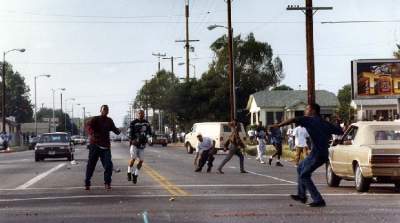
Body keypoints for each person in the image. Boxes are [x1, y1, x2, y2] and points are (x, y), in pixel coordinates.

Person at [269, 103, 343, 207]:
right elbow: (340, 131)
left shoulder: (309, 119)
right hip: (320, 153)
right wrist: (338, 121)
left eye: (307, 109)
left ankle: (318, 200)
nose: (305, 111)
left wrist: (278, 125)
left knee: (304, 175)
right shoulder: (325, 123)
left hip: (317, 154)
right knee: (300, 167)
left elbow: (293, 119)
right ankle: (302, 195)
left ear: (313, 111)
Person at [85, 105, 121, 190]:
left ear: (108, 111)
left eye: (106, 109)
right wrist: (92, 133)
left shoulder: (109, 121)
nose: (105, 111)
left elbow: (115, 130)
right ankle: (87, 182)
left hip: (105, 146)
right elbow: (88, 126)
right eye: (103, 109)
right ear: (100, 110)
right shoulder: (95, 119)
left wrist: (118, 131)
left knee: (108, 165)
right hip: (95, 145)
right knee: (91, 164)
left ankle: (107, 183)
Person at [128, 110, 152, 184]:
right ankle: (129, 172)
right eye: (139, 113)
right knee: (133, 159)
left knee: (141, 161)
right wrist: (133, 140)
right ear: (136, 114)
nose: (141, 115)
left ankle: (135, 174)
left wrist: (149, 138)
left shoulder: (147, 123)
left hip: (142, 145)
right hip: (134, 144)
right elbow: (130, 133)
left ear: (144, 114)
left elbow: (149, 132)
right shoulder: (133, 123)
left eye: (142, 113)